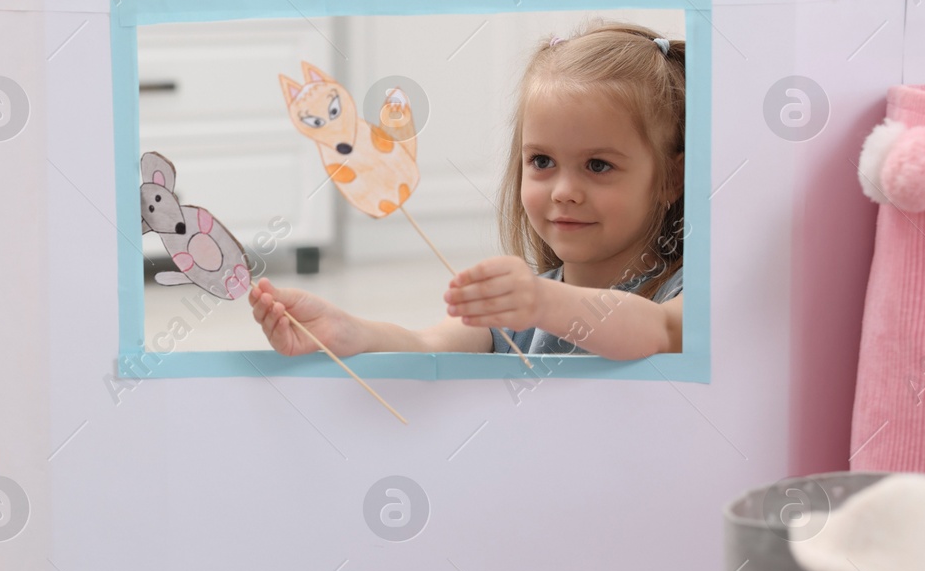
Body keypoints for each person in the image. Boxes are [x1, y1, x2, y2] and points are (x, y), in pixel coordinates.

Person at [252, 22, 687, 361]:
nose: (564, 191)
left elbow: (659, 331)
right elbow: (427, 345)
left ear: (670, 178)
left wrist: (541, 302)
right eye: (541, 162)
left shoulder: (680, 295)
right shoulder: (518, 311)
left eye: (598, 165)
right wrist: (351, 332)